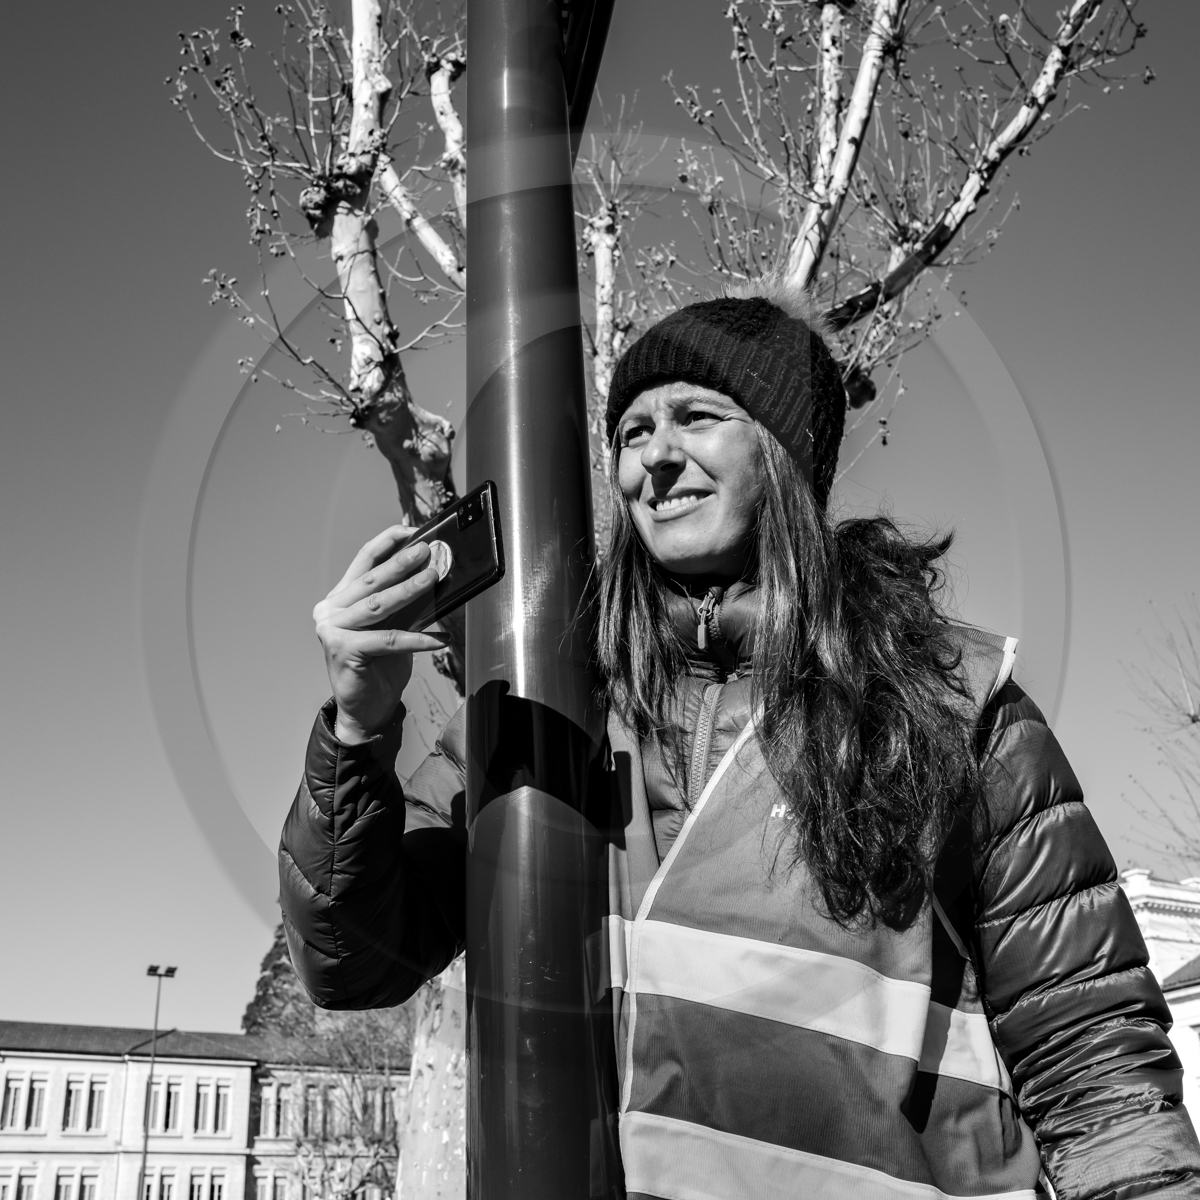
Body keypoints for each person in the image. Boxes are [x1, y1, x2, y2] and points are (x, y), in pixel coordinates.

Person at [280, 282, 1200, 1199]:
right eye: (631, 433)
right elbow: (351, 962)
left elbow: (1094, 1056)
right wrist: (357, 731)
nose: (656, 457)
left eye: (696, 417)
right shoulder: (549, 709)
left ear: (786, 453)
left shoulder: (953, 703)